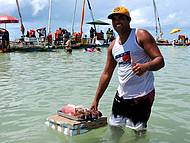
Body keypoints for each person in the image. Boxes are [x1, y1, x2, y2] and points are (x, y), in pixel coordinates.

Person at [90, 6, 165, 132]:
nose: (117, 21)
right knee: (114, 128)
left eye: (121, 18)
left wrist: (145, 67)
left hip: (143, 95)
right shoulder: (113, 45)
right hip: (122, 96)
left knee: (138, 133)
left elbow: (160, 60)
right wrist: (96, 99)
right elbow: (106, 74)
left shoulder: (140, 35)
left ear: (128, 20)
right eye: (114, 19)